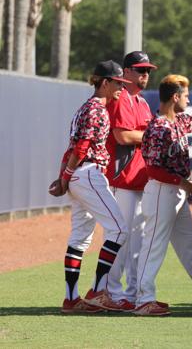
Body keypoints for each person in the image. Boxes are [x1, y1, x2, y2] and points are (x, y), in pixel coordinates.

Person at [51, 60, 131, 314]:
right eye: (118, 83)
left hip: (79, 175)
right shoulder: (97, 109)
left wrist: (64, 176)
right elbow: (82, 146)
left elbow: (72, 147)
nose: (122, 87)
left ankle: (71, 298)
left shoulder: (85, 108)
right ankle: (98, 291)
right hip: (87, 173)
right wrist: (66, 176)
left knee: (80, 238)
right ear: (104, 82)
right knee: (119, 229)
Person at [135, 75, 192, 316]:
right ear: (175, 97)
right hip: (162, 190)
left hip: (176, 193)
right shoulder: (158, 126)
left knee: (190, 247)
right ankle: (144, 299)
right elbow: (152, 168)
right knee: (154, 245)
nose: (188, 99)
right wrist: (181, 181)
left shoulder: (179, 121)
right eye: (185, 95)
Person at [104, 51, 157, 311]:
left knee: (137, 242)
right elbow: (123, 136)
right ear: (126, 72)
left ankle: (132, 293)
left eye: (147, 70)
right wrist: (151, 135)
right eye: (139, 69)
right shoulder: (121, 98)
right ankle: (111, 293)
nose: (145, 74)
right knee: (120, 239)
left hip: (140, 181)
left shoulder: (143, 102)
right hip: (121, 179)